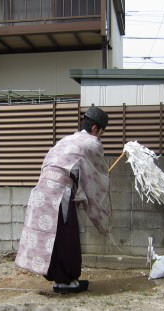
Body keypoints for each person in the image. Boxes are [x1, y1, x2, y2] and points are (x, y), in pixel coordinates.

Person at [15, 106, 111, 294]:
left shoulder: (66, 140)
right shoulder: (92, 143)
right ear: (95, 129)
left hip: (41, 190)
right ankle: (68, 282)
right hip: (60, 193)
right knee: (67, 237)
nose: (100, 136)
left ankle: (59, 280)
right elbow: (96, 177)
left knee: (53, 237)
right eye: (101, 132)